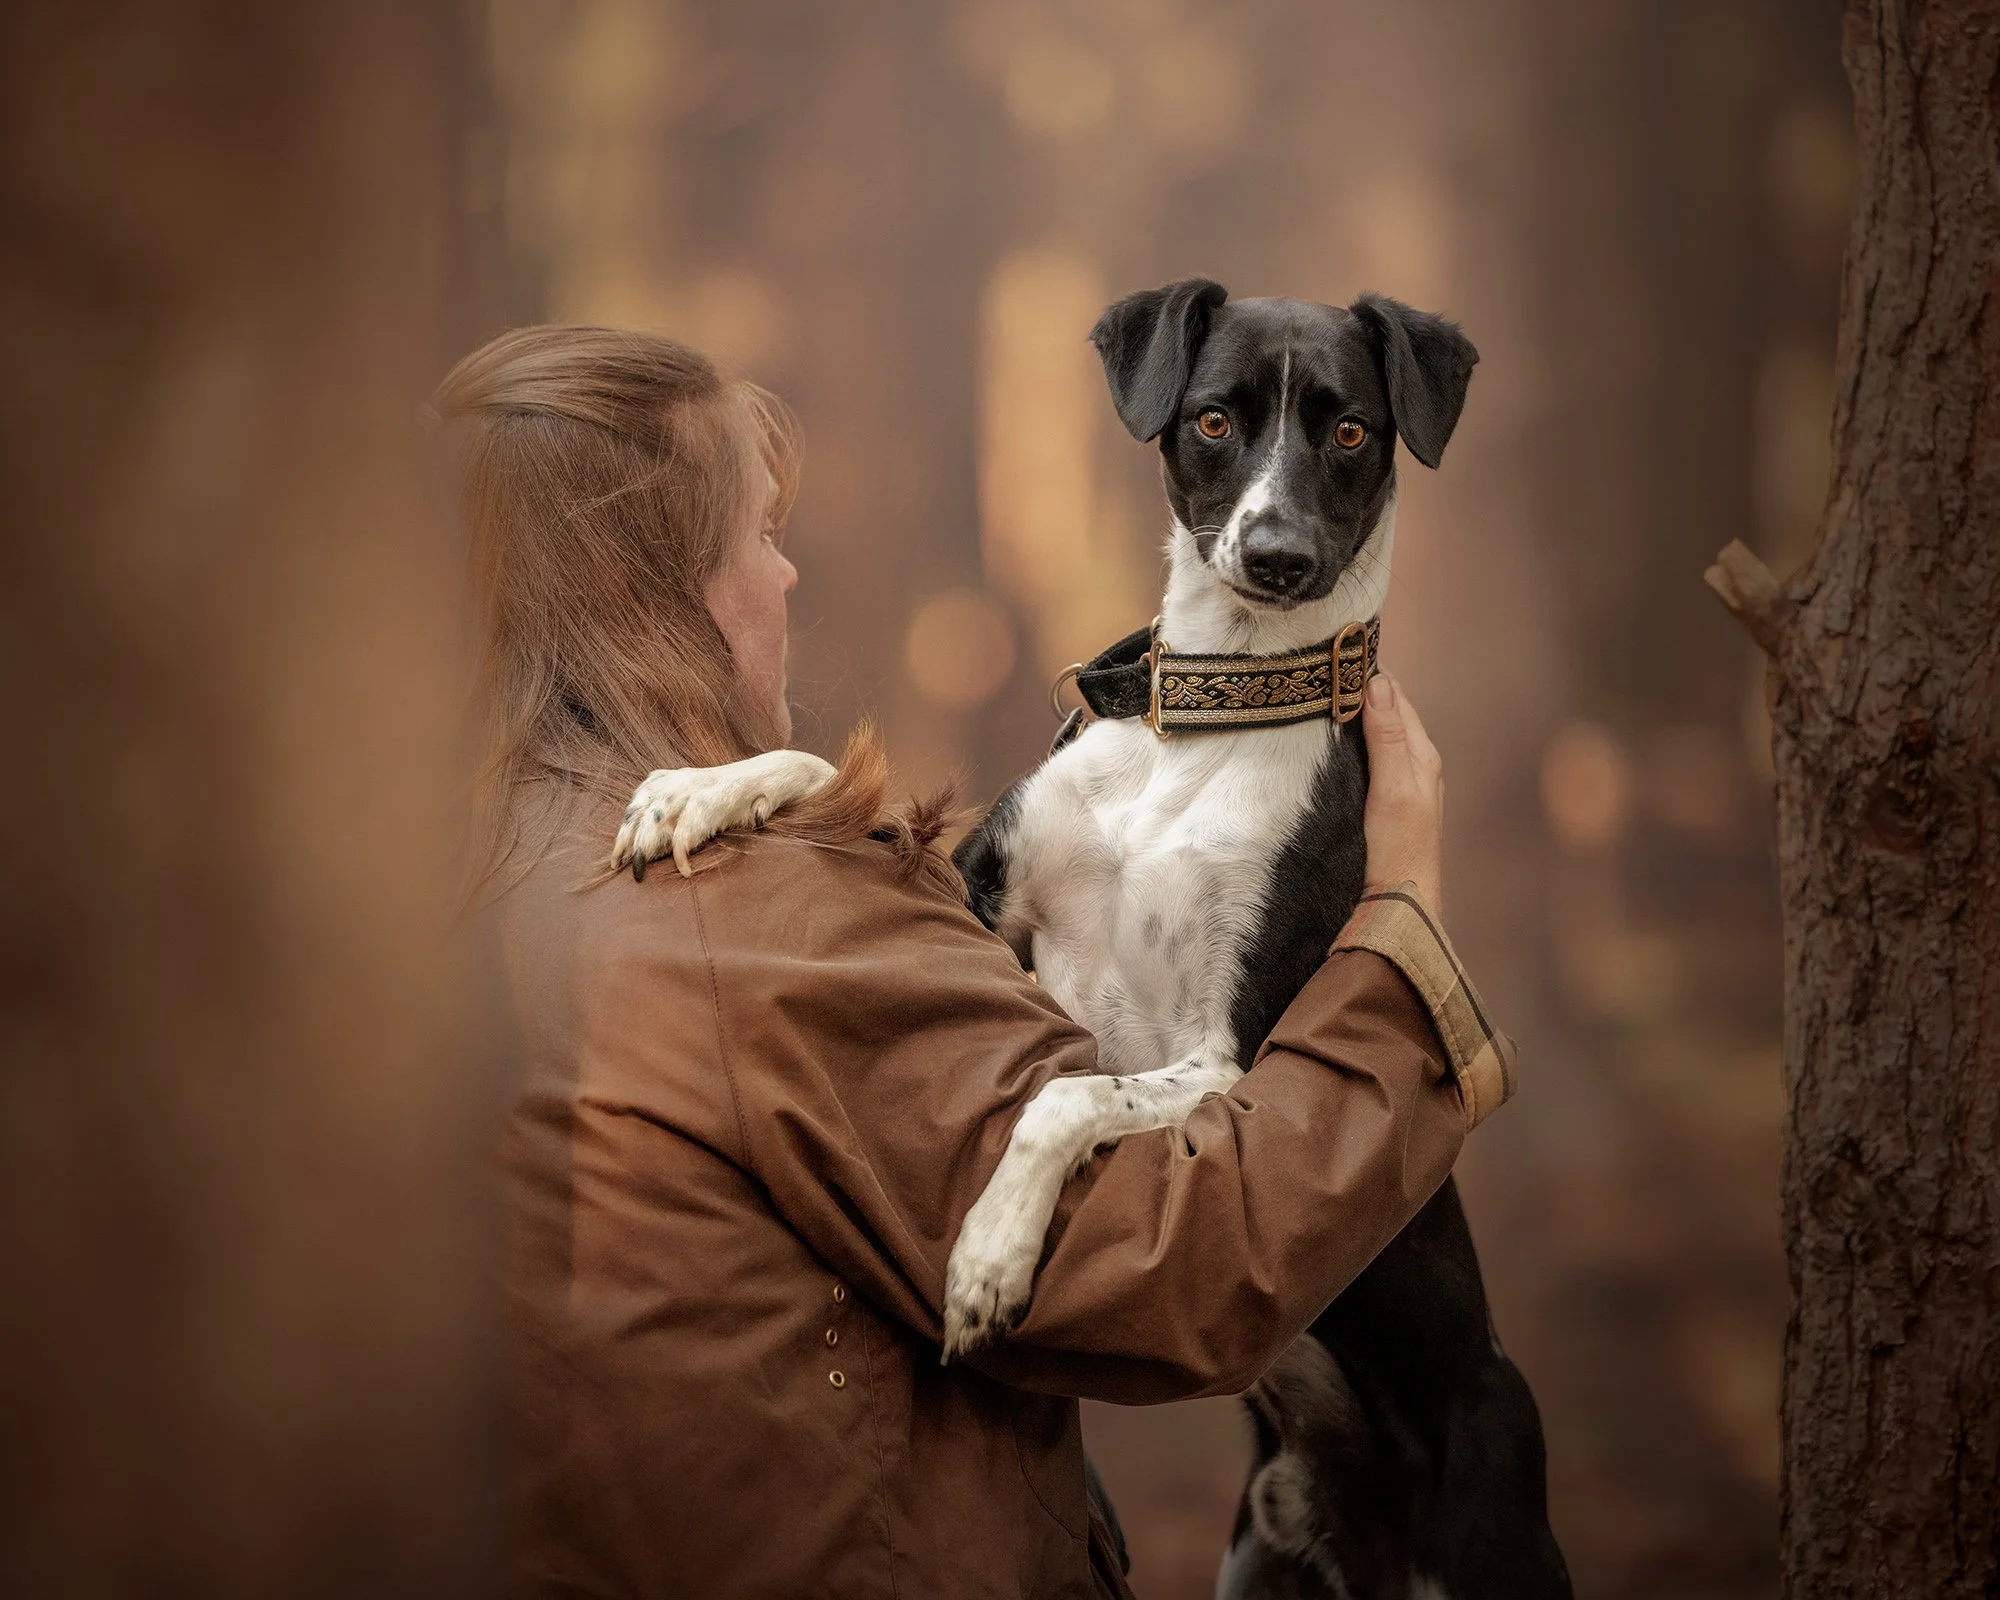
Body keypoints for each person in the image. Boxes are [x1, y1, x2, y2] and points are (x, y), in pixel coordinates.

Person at [436, 324, 1510, 1599]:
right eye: (761, 539)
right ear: (658, 589)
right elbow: (1188, 1265)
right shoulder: (746, 918)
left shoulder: (456, 887)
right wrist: (1399, 925)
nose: (786, 578)